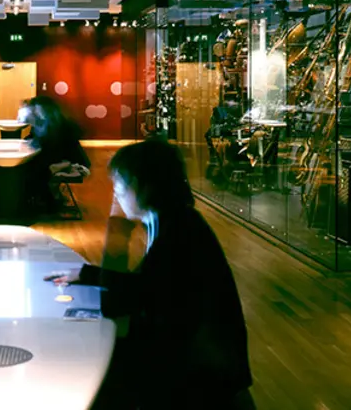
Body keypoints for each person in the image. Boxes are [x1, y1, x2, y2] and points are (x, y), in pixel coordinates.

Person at [45, 137, 254, 409]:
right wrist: (86, 274)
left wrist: (116, 228)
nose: (116, 192)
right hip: (195, 357)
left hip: (197, 373)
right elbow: (150, 287)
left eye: (120, 183)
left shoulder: (178, 230)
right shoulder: (175, 220)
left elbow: (126, 300)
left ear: (145, 184)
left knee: (87, 368)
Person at [21, 95, 90, 213]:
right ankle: (39, 199)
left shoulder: (58, 124)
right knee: (31, 167)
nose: (37, 112)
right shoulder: (46, 122)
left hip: (70, 161)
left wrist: (33, 145)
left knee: (35, 170)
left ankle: (46, 202)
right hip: (58, 158)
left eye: (38, 109)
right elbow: (36, 139)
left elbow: (55, 149)